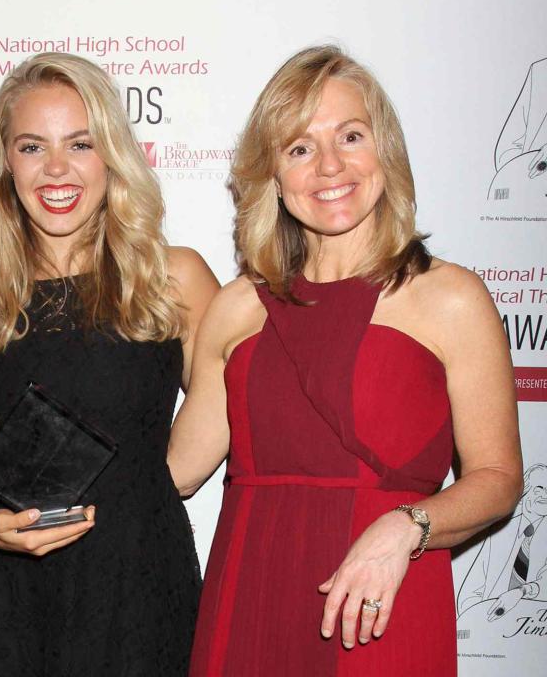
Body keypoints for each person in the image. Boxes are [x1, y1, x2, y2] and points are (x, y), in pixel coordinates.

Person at [167, 45, 523, 675]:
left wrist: (408, 526)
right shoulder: (237, 307)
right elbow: (176, 474)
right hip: (248, 599)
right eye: (299, 147)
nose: (329, 165)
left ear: (384, 149)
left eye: (350, 136)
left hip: (380, 606)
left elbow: (498, 479)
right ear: (272, 175)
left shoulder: (451, 299)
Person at [0, 52, 219, 676]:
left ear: (111, 153)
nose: (56, 169)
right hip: (5, 598)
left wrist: (139, 494)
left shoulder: (177, 278)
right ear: (6, 162)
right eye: (32, 147)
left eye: (80, 143)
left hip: (138, 587)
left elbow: (229, 416)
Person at [457, 462, 547, 620]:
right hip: (489, 626)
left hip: (533, 629)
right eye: (539, 489)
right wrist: (478, 619)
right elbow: (471, 590)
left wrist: (522, 591)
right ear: (525, 489)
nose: (545, 496)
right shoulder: (496, 528)